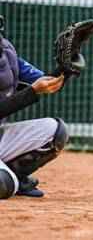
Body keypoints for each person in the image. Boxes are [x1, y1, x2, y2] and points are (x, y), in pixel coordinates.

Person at [0, 15, 68, 199]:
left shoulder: (7, 52)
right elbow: (34, 89)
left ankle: (16, 176)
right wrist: (32, 93)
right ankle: (10, 177)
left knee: (55, 132)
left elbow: (47, 81)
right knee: (3, 184)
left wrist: (66, 66)